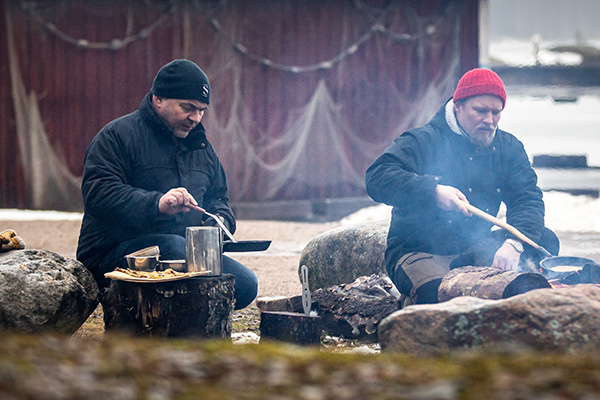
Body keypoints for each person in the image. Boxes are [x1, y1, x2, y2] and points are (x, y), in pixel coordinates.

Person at [365, 68, 559, 306]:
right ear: (458, 107)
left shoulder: (508, 147)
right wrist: (433, 191)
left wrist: (513, 244)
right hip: (419, 251)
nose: (489, 121)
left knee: (544, 243)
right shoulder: (422, 140)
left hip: (475, 248)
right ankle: (409, 305)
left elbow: (527, 200)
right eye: (480, 111)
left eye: (496, 112)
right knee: (438, 295)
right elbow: (377, 177)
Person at [77, 59, 258, 309]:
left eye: (202, 110)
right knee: (173, 246)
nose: (195, 118)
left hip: (181, 254)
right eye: (188, 107)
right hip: (113, 252)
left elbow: (219, 199)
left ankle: (183, 327)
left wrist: (219, 221)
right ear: (158, 99)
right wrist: (157, 203)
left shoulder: (201, 148)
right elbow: (99, 194)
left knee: (246, 284)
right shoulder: (117, 136)